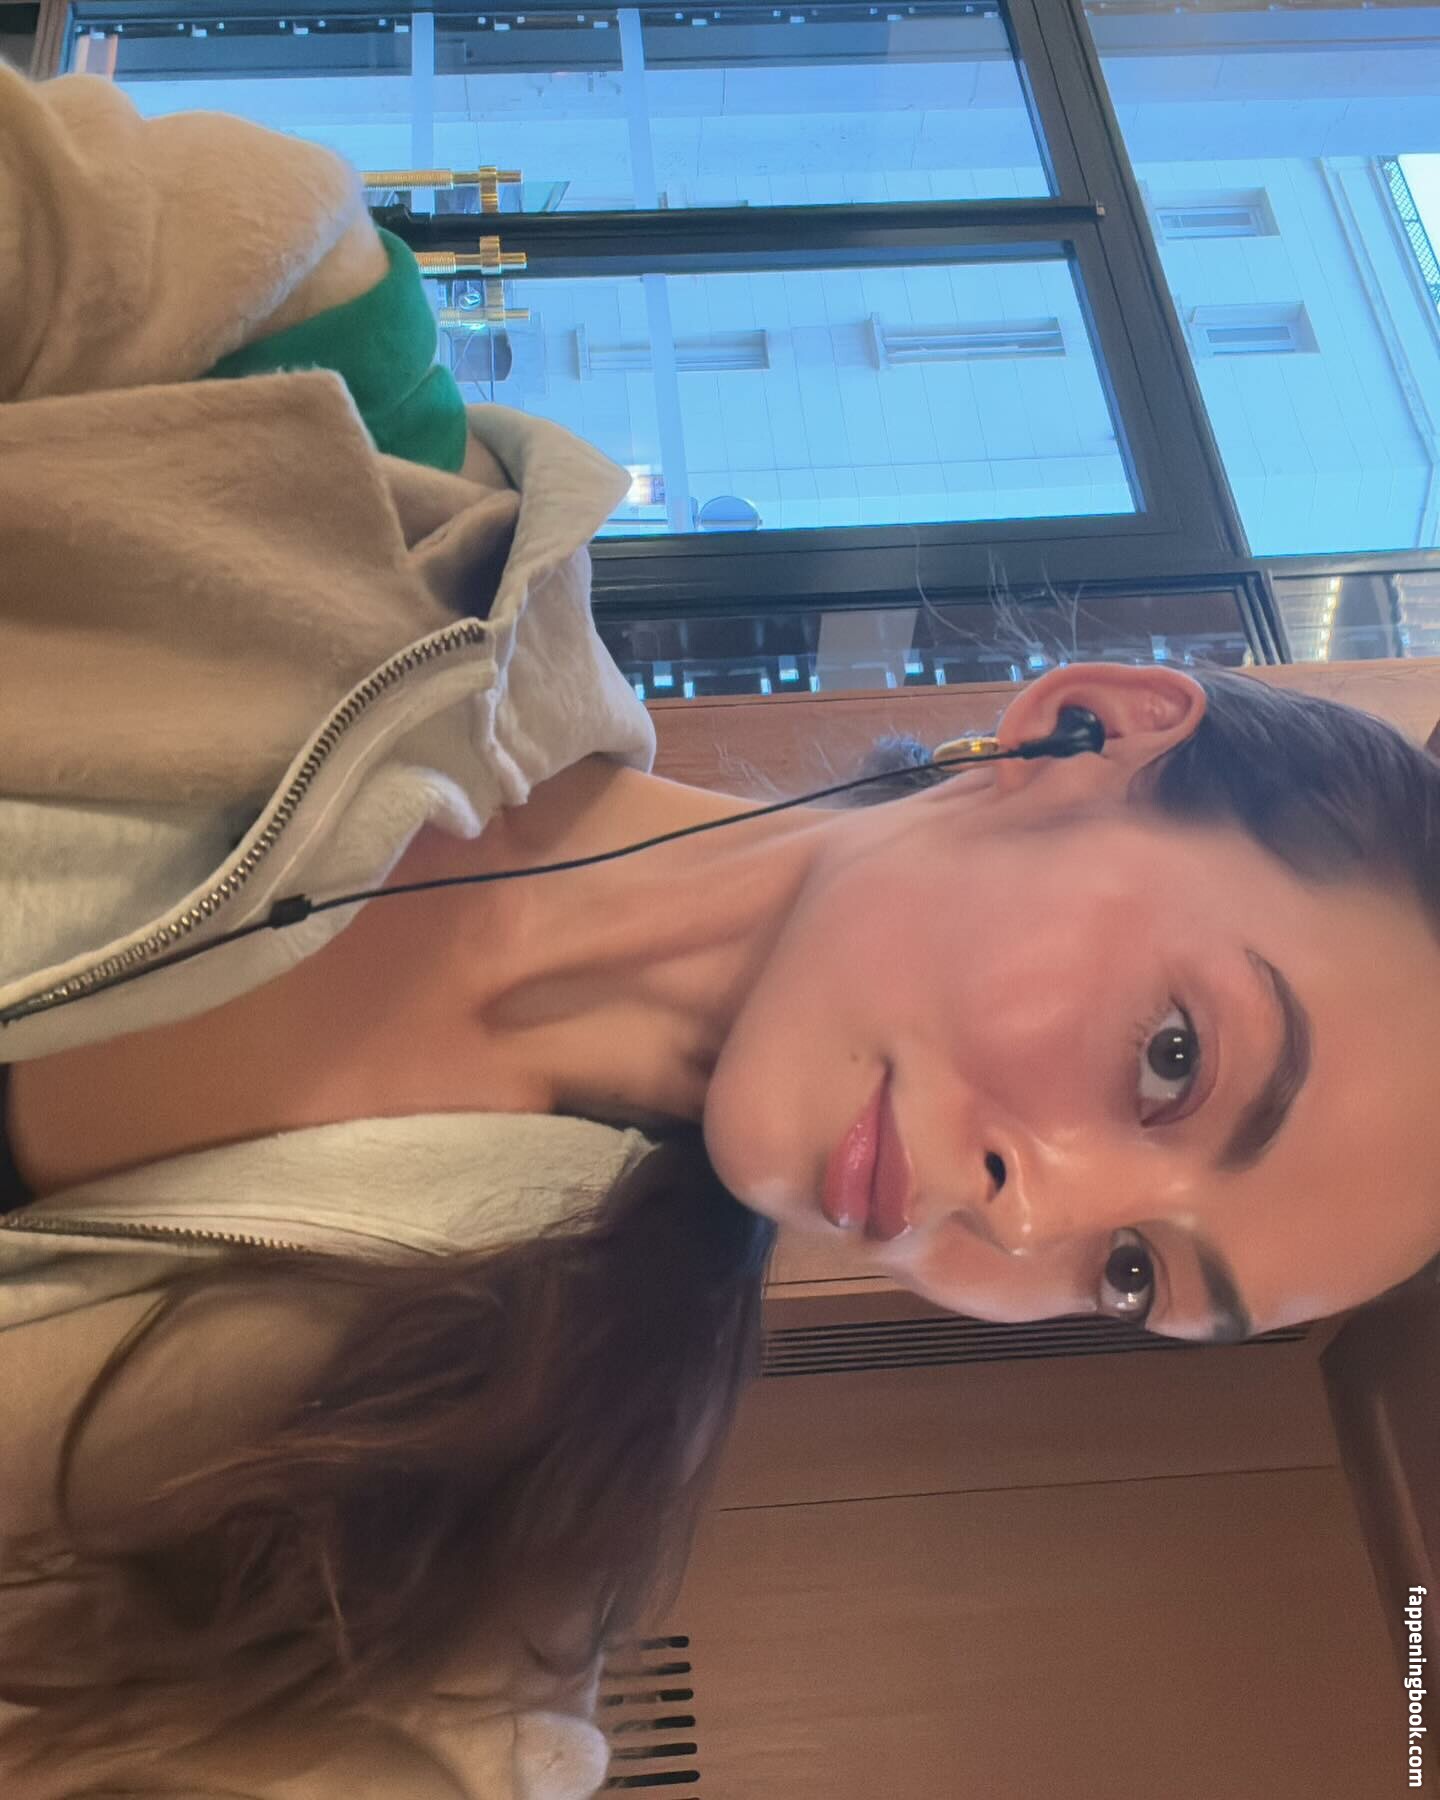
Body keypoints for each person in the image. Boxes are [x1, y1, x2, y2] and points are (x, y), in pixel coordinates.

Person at [1, 58, 1438, 1799]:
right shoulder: (303, 383)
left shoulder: (462, 1599)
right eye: (1175, 1059)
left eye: (1133, 1276)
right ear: (1088, 733)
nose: (1029, 1216)